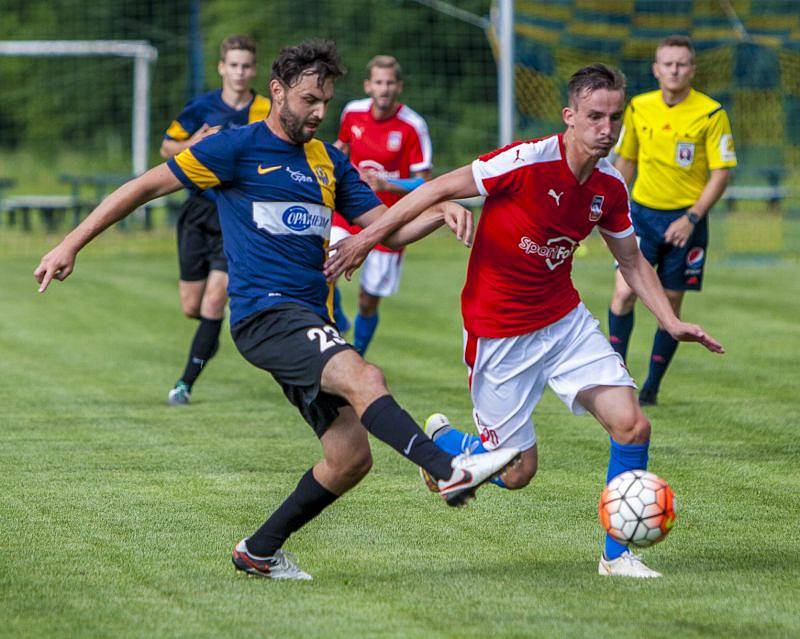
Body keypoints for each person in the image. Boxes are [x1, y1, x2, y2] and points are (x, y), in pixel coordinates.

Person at [34, 39, 519, 581]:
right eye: (309, 99)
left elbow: (387, 226)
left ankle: (258, 550)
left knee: (350, 457)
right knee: (366, 376)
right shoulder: (234, 149)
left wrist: (439, 208)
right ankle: (449, 468)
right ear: (277, 91)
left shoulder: (329, 161)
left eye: (326, 102)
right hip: (266, 315)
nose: (317, 112)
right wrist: (70, 243)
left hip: (311, 318)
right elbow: (143, 187)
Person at [324, 63, 724, 579]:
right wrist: (363, 238)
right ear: (570, 116)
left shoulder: (609, 187)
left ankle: (618, 555)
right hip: (499, 332)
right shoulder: (526, 160)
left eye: (615, 117)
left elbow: (631, 261)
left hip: (564, 324)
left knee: (632, 424)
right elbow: (434, 189)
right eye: (595, 116)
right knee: (517, 473)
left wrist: (669, 321)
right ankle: (445, 447)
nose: (607, 128)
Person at [608, 35, 736, 406]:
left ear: (692, 69)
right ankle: (618, 378)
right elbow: (626, 161)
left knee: (671, 304)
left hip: (687, 222)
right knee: (624, 292)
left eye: (681, 64)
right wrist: (608, 206)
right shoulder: (638, 107)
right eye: (668, 63)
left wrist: (691, 217)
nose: (674, 70)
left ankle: (651, 388)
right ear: (656, 69)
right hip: (642, 216)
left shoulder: (711, 113)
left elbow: (720, 173)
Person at [160, 35, 271, 406]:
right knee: (192, 306)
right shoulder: (201, 107)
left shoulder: (266, 110)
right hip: (197, 213)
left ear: (254, 70)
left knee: (211, 302)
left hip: (235, 215)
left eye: (246, 66)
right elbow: (167, 147)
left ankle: (184, 384)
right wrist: (193, 142)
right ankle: (213, 325)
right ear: (222, 67)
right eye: (233, 65)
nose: (240, 72)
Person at [330, 55, 432, 355]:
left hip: (389, 218)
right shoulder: (352, 113)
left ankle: (357, 354)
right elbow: (341, 149)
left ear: (398, 86)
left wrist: (388, 184)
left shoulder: (413, 126)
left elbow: (425, 183)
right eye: (378, 82)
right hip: (348, 210)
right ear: (368, 85)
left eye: (389, 83)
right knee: (324, 267)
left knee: (368, 299)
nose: (384, 89)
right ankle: (335, 322)